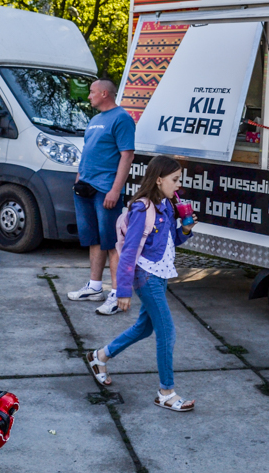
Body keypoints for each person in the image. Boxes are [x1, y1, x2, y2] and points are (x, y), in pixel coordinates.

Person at [85, 155, 196, 411]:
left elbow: (169, 242)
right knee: (167, 332)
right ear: (158, 180)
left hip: (161, 274)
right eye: (175, 180)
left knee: (145, 328)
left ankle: (99, 356)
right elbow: (129, 250)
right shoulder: (142, 209)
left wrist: (186, 230)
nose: (179, 185)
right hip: (146, 277)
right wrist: (123, 290)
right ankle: (166, 392)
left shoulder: (167, 206)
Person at [67, 79, 136, 315]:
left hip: (106, 189)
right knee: (94, 239)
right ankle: (95, 287)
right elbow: (89, 150)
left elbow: (127, 156)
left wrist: (115, 190)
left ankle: (117, 295)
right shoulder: (95, 120)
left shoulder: (122, 118)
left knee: (112, 242)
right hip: (85, 186)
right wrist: (79, 177)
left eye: (92, 92)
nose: (89, 96)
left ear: (104, 93)